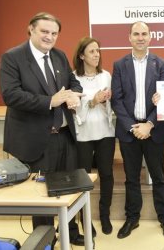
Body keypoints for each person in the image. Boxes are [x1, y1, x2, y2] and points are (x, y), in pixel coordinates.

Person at [0, 12, 85, 246]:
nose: (49, 37)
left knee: (71, 188)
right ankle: (45, 240)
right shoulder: (12, 57)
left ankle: (72, 232)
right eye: (44, 31)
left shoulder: (59, 56)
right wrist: (50, 101)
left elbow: (73, 82)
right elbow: (11, 95)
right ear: (31, 30)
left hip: (65, 137)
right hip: (36, 140)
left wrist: (74, 95)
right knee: (42, 196)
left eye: (54, 33)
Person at [111, 21, 164, 239]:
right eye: (136, 34)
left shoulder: (161, 63)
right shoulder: (119, 65)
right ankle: (132, 218)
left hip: (153, 130)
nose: (140, 37)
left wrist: (148, 124)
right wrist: (133, 126)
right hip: (130, 131)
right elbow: (117, 101)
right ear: (129, 37)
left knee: (159, 176)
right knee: (131, 178)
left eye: (144, 34)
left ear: (150, 37)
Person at [72, 37, 115, 235]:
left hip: (105, 132)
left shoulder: (106, 75)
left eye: (98, 50)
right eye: (91, 51)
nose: (96, 54)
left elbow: (113, 106)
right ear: (81, 55)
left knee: (106, 174)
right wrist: (92, 101)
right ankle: (85, 220)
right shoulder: (74, 78)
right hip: (83, 134)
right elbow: (73, 108)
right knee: (84, 178)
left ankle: (104, 215)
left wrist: (107, 100)